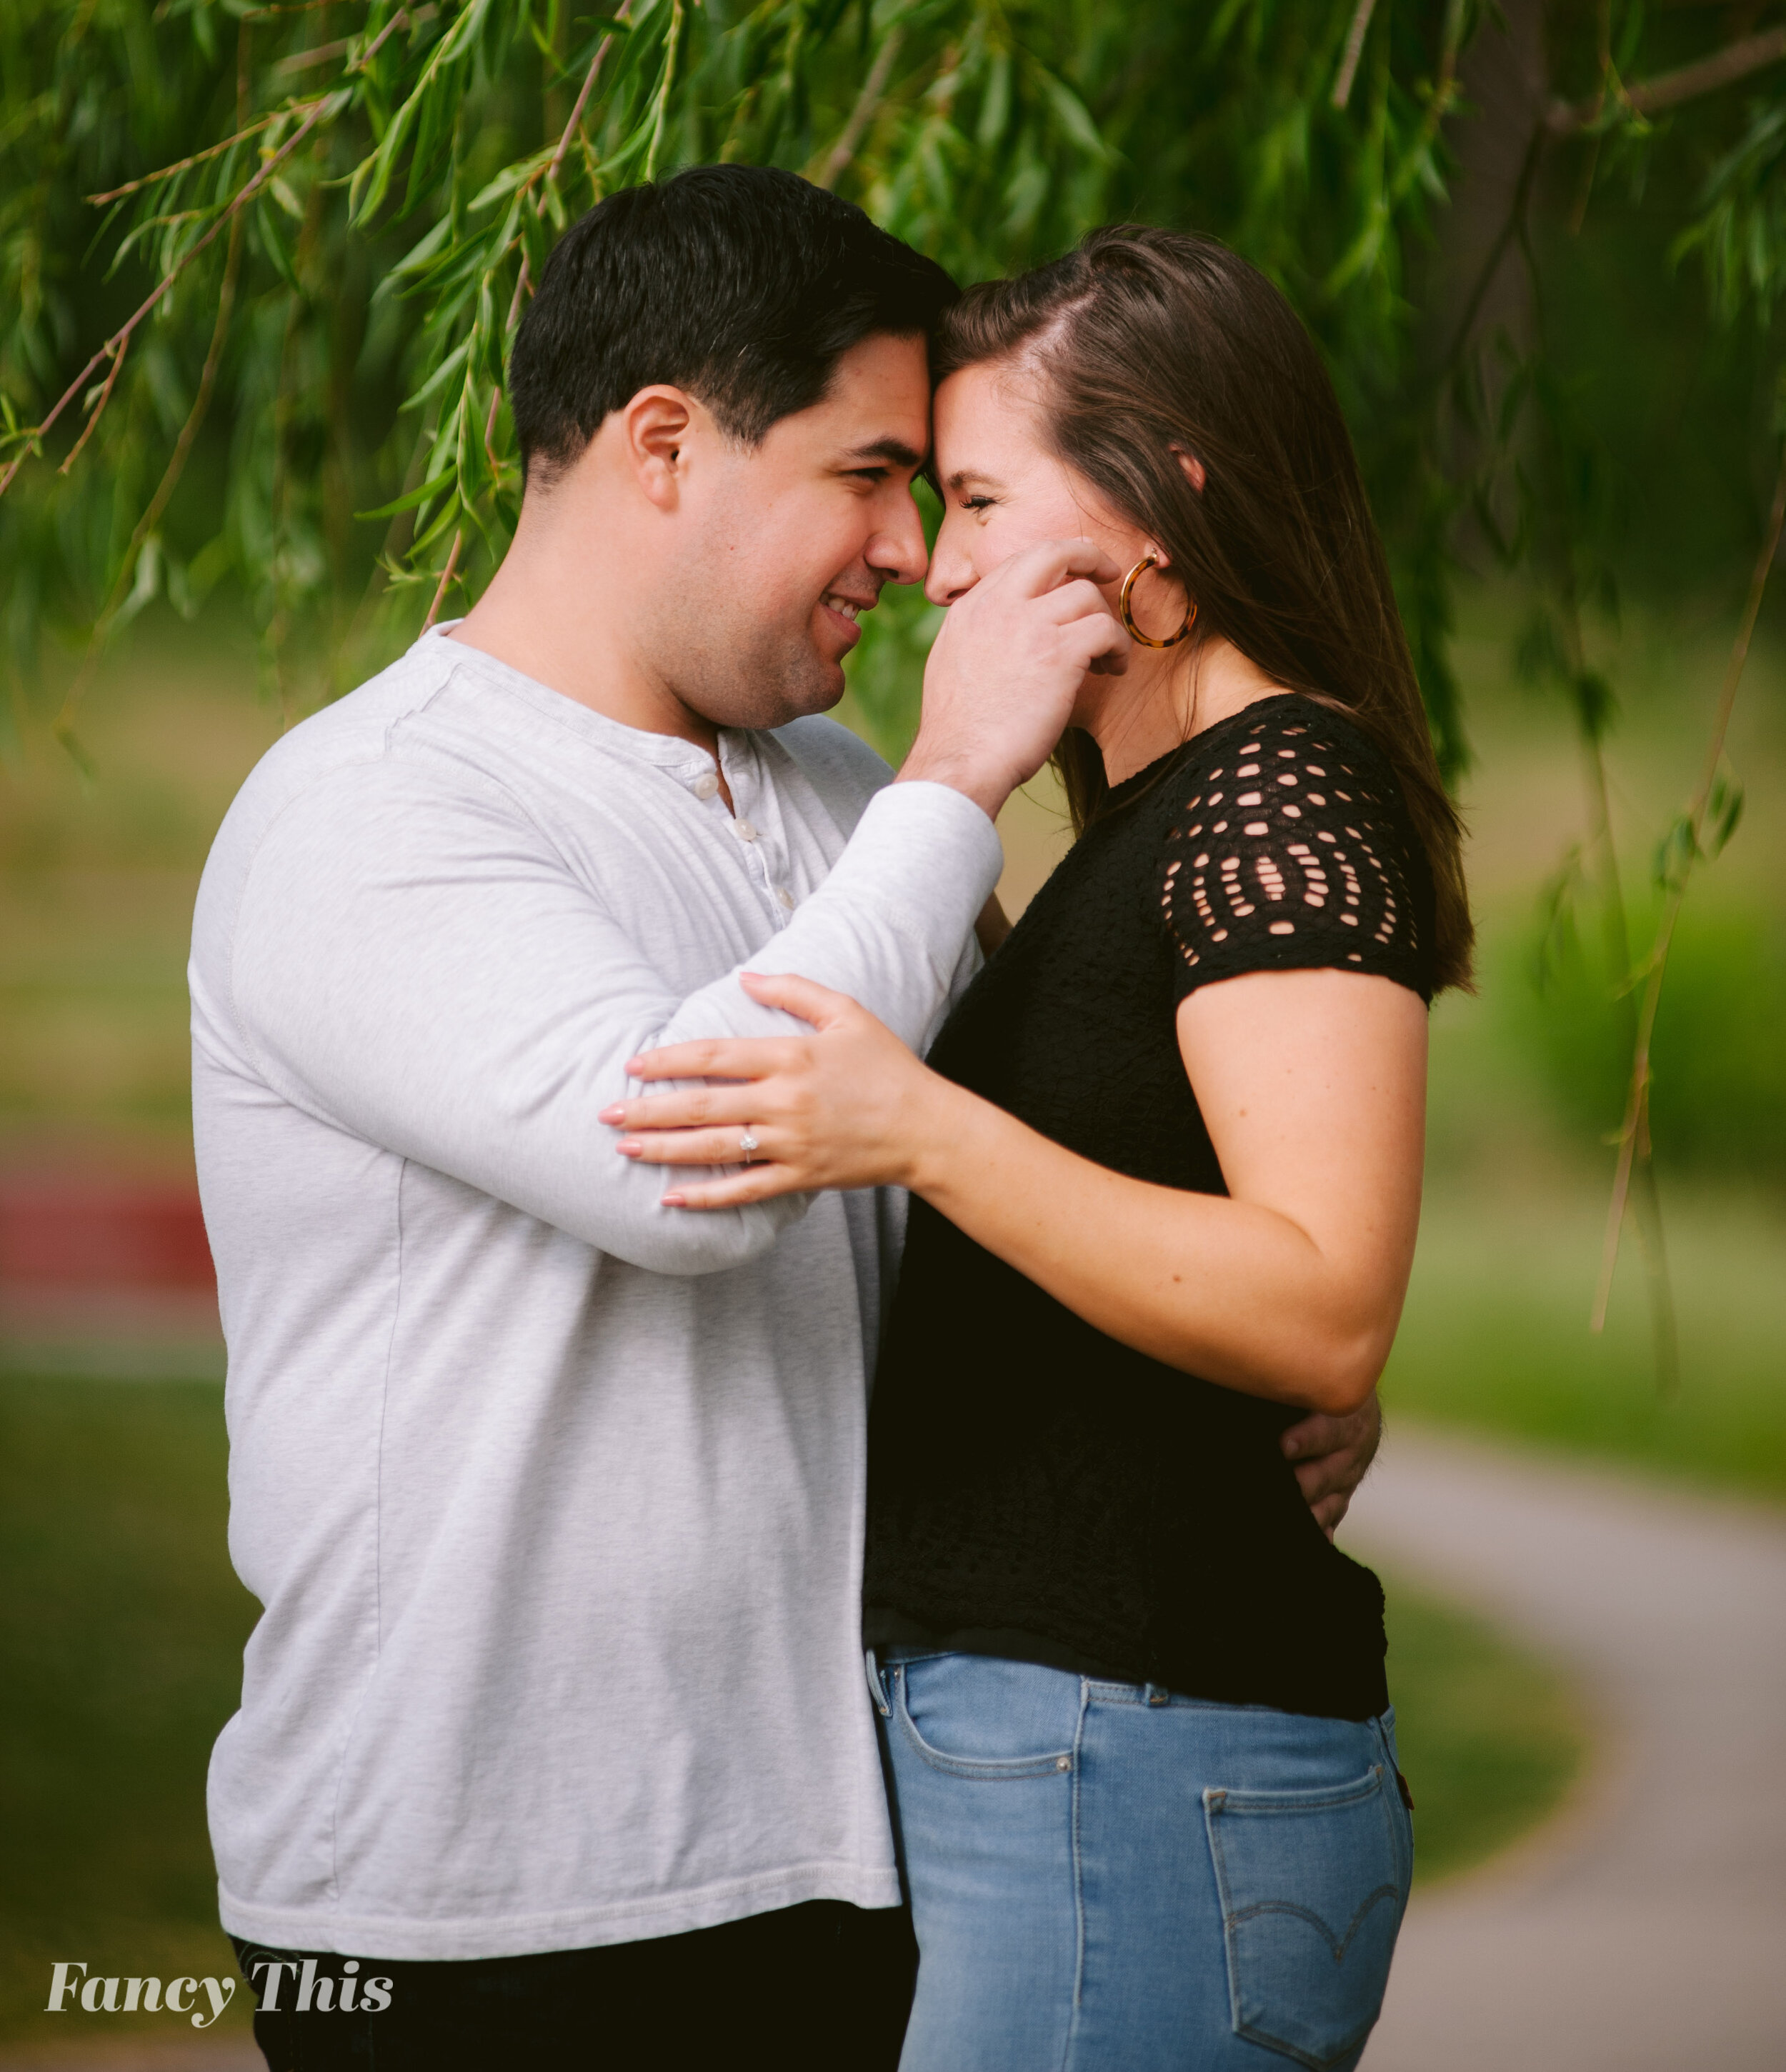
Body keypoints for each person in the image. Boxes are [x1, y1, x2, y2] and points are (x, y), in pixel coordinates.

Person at [189, 165, 1137, 2071]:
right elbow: (690, 1170)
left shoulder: (833, 791)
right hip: (471, 1908)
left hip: (827, 1859)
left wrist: (1242, 1350)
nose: (913, 553)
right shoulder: (369, 811)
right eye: (868, 476)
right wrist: (959, 776)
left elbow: (1007, 1170)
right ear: (660, 446)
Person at [602, 226, 1474, 2071]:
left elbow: (1321, 1305)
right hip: (1081, 1739)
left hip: (1139, 1746)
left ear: (1160, 504)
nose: (941, 560)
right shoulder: (1165, 807)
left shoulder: (1274, 794)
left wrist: (918, 1129)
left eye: (984, 497)